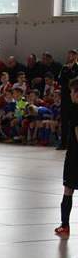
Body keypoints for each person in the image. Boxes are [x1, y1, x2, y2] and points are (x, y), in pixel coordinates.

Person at [55, 79, 78, 238]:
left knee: (68, 189)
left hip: (75, 156)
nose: (70, 95)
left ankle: (65, 225)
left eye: (71, 92)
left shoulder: (75, 109)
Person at [57, 50, 78, 150]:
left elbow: (74, 81)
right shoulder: (64, 67)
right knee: (64, 121)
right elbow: (60, 80)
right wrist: (68, 73)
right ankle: (63, 143)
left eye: (72, 55)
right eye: (69, 55)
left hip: (74, 98)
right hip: (65, 97)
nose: (70, 57)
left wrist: (69, 73)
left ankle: (73, 143)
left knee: (74, 120)